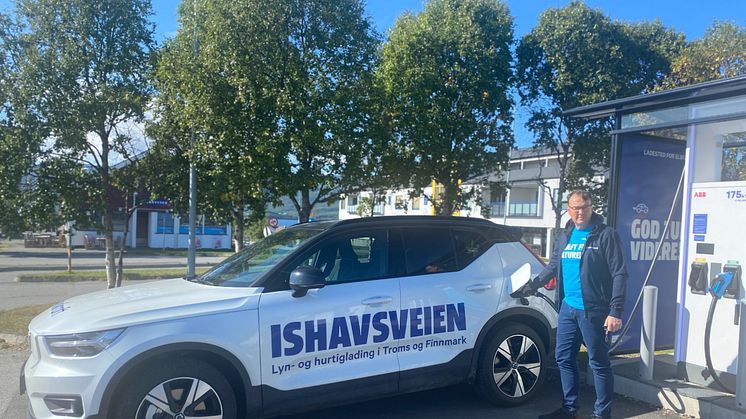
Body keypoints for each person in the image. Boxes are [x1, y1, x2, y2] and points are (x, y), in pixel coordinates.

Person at [511, 190, 628, 419]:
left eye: (584, 207)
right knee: (563, 357)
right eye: (575, 207)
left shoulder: (605, 235)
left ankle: (602, 414)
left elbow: (620, 274)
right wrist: (531, 286)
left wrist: (615, 311)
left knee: (598, 363)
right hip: (568, 307)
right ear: (568, 209)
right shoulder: (566, 235)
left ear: (591, 207)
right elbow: (553, 265)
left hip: (593, 310)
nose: (579, 212)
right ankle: (570, 408)